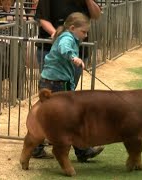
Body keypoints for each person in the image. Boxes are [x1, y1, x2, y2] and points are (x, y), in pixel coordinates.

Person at [33, 11, 104, 163]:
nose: (85, 35)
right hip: (57, 84)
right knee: (71, 118)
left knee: (45, 115)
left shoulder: (66, 35)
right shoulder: (67, 37)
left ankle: (36, 147)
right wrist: (74, 58)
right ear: (72, 28)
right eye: (83, 32)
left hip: (50, 81)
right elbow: (64, 49)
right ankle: (82, 150)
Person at [35, 0, 101, 86]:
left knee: (68, 87)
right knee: (54, 89)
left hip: (78, 50)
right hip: (50, 49)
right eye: (84, 32)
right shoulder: (65, 39)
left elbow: (96, 15)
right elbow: (42, 18)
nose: (86, 35)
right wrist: (58, 36)